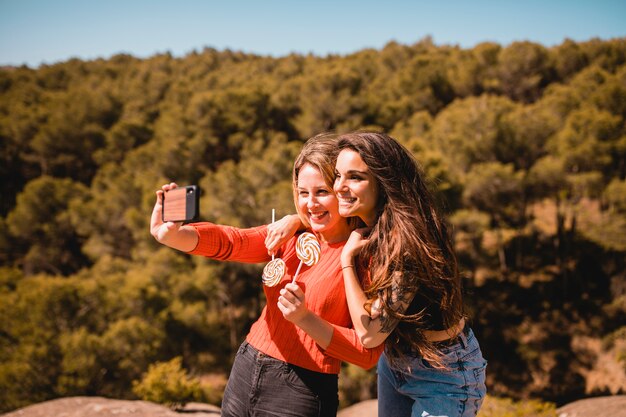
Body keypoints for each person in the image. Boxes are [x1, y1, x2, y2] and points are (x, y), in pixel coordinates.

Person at [150, 135, 383, 417]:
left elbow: (366, 353)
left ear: (342, 190)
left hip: (301, 389)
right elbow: (233, 242)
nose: (310, 204)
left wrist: (305, 318)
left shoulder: (363, 254)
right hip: (247, 367)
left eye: (322, 192)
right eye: (302, 192)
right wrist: (175, 235)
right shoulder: (292, 234)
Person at [274, 132, 487, 417]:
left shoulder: (407, 244)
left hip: (443, 372)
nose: (339, 187)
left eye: (355, 178)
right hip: (395, 363)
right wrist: (295, 221)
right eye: (337, 176)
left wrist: (348, 261)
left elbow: (370, 335)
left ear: (384, 181)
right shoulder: (368, 220)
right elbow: (320, 214)